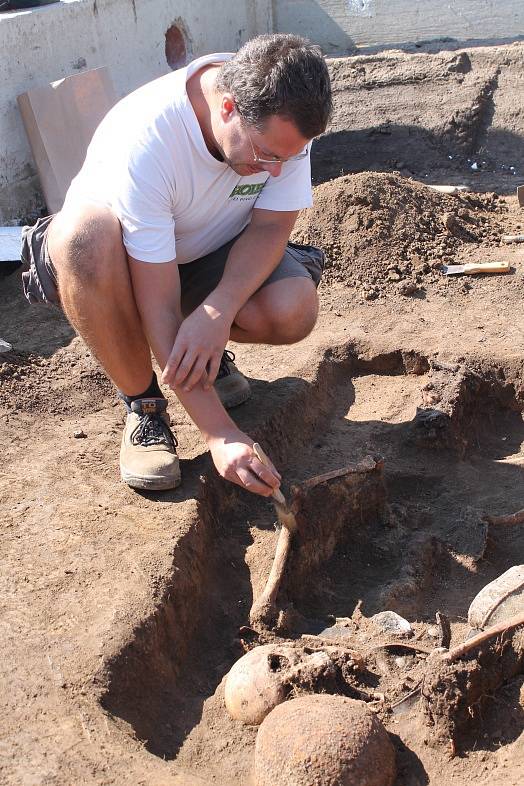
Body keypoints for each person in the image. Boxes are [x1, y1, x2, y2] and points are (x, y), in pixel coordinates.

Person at [21, 33, 332, 496]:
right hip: (117, 261)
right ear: (227, 108)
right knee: (83, 239)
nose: (276, 173)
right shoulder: (151, 141)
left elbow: (269, 229)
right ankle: (144, 407)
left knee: (292, 308)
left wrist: (217, 311)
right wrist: (220, 434)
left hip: (202, 247)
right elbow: (158, 304)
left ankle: (201, 358)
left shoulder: (281, 119)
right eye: (266, 155)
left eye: (289, 157)